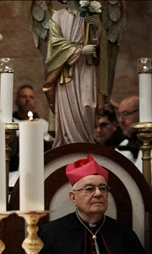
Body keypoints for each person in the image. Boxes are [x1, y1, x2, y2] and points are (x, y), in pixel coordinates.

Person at [41, 2, 109, 147]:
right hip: (66, 70)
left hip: (86, 67)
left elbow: (101, 43)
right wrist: (79, 50)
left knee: (87, 105)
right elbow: (54, 45)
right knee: (67, 108)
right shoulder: (57, 16)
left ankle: (85, 143)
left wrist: (96, 27)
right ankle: (67, 145)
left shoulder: (90, 13)